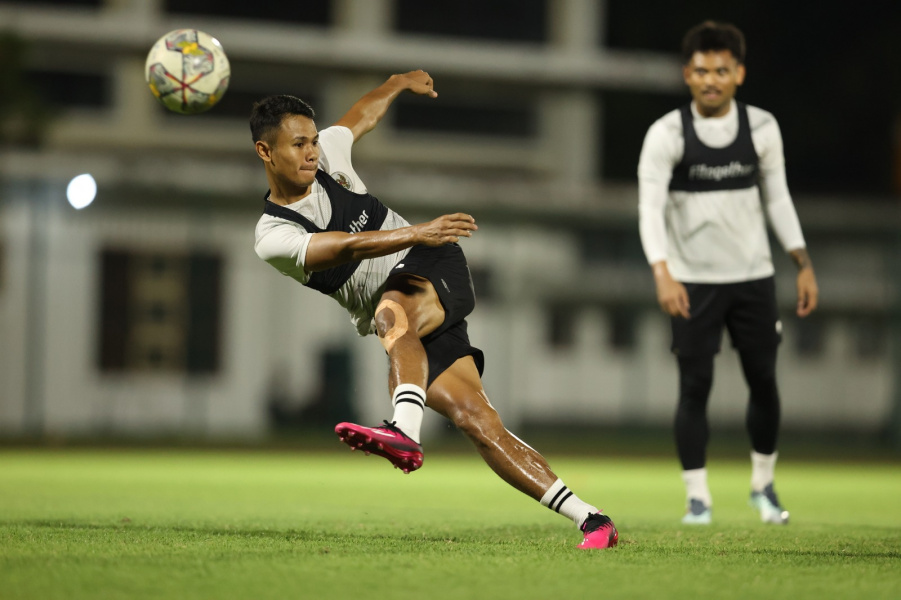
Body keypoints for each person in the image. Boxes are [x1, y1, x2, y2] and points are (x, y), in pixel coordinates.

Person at [251, 70, 618, 549]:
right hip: (408, 301)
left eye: (314, 141)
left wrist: (397, 83)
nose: (313, 152)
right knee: (477, 421)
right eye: (298, 145)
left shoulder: (328, 156)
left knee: (389, 308)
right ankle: (593, 520)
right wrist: (414, 230)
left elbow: (361, 115)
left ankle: (404, 429)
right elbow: (341, 248)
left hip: (431, 263)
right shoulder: (272, 236)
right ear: (265, 152)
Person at [637, 21, 819, 525]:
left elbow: (777, 198)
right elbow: (649, 210)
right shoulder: (666, 134)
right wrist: (663, 272)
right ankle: (698, 499)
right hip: (693, 282)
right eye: (701, 71)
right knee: (695, 387)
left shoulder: (762, 127)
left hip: (754, 278)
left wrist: (801, 262)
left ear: (739, 73)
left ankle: (764, 487)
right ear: (686, 75)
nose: (711, 80)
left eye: (721, 70)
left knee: (763, 380)